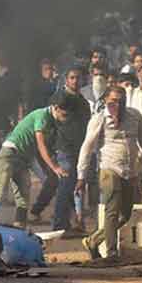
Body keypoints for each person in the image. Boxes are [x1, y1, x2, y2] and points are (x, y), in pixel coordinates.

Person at [76, 86, 142, 263]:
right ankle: (112, 253)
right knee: (112, 210)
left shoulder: (134, 116)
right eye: (113, 101)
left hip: (131, 170)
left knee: (125, 214)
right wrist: (81, 176)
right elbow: (87, 147)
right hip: (109, 168)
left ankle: (93, 241)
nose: (117, 105)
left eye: (121, 101)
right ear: (106, 100)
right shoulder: (99, 119)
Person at [0, 93, 70, 228]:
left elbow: (47, 147)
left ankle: (19, 228)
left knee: (23, 199)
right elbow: (41, 144)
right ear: (55, 108)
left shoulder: (53, 122)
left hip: (23, 160)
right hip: (9, 155)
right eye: (63, 115)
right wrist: (54, 167)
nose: (64, 119)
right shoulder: (42, 116)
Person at [31, 66, 90, 229]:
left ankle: (74, 221)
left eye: (78, 78)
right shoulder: (60, 97)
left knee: (71, 186)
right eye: (72, 77)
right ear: (66, 80)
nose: (75, 81)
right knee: (65, 188)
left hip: (80, 149)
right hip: (64, 149)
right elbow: (50, 121)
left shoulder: (84, 102)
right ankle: (60, 224)